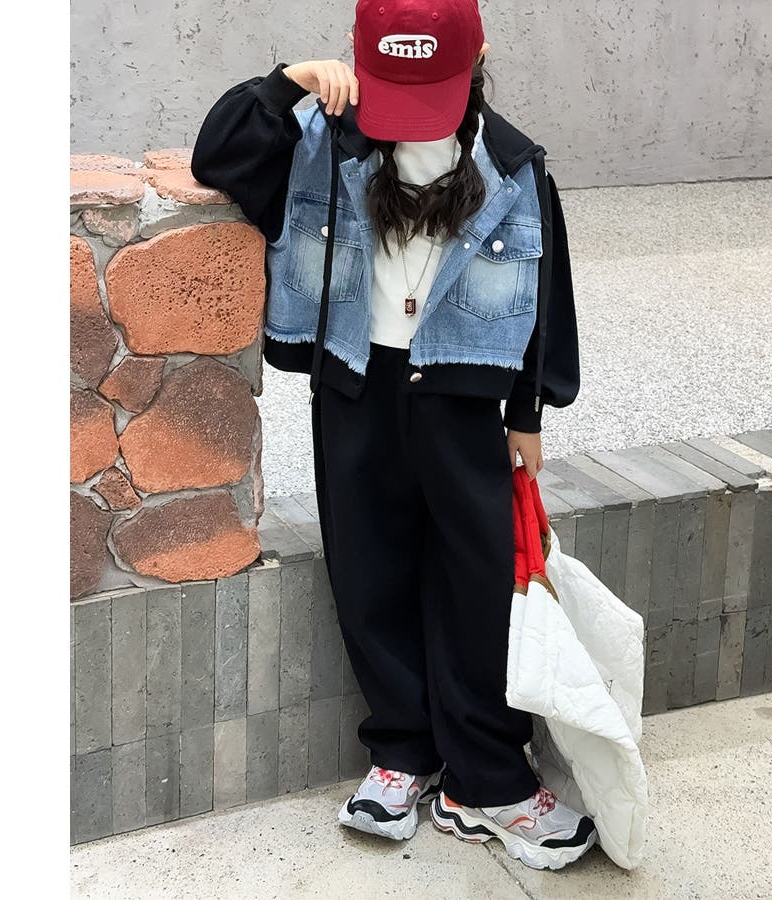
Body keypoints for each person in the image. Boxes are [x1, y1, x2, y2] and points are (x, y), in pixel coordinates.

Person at [191, 0, 594, 871]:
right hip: (355, 384)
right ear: (357, 58)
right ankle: (401, 754)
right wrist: (290, 82)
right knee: (368, 571)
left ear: (478, 56)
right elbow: (217, 154)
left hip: (462, 396)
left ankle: (486, 777)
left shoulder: (513, 166)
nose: (410, 117)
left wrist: (529, 411)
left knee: (478, 583)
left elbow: (544, 291)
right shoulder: (321, 140)